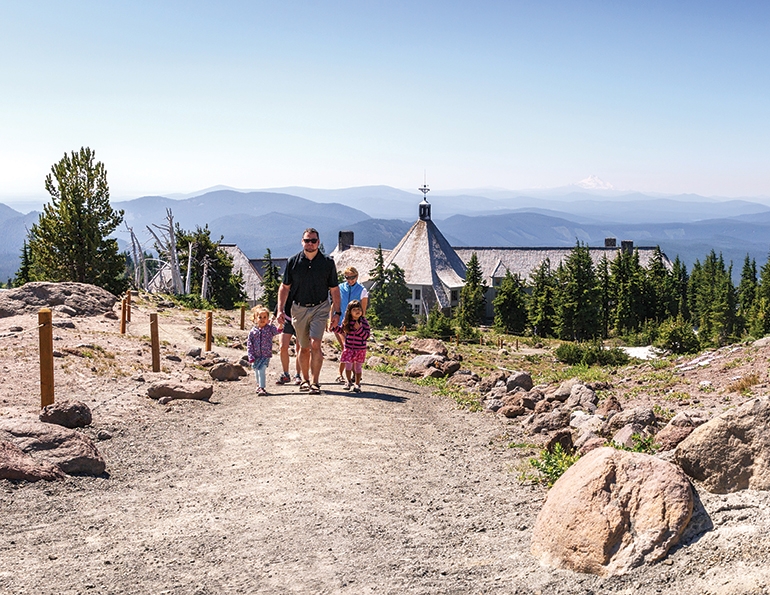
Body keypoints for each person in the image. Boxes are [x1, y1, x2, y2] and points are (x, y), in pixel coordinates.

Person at [277, 228, 341, 395]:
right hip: (298, 309)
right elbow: (284, 287)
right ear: (302, 242)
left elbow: (334, 290)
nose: (310, 244)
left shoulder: (327, 262)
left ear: (318, 242)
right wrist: (280, 310)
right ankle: (305, 380)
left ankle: (315, 382)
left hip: (320, 307)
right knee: (304, 348)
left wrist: (337, 313)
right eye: (307, 240)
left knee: (315, 344)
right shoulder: (293, 262)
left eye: (313, 240)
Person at [332, 266, 369, 383]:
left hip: (355, 324)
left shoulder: (362, 290)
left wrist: (361, 325)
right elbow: (334, 304)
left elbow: (363, 310)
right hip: (340, 323)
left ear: (357, 276)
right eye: (347, 277)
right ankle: (342, 374)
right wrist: (331, 319)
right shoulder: (340, 287)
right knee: (345, 347)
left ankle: (351, 374)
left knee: (347, 348)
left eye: (352, 277)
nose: (350, 279)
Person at [246, 305, 282, 396]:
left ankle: (262, 387)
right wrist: (250, 355)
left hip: (265, 355)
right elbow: (249, 344)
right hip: (255, 355)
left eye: (265, 317)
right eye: (260, 317)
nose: (262, 319)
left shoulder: (269, 329)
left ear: (268, 318)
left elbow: (278, 331)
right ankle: (258, 385)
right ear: (255, 318)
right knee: (256, 370)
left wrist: (281, 324)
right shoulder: (253, 332)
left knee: (262, 369)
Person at [339, 300, 370, 393]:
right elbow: (342, 330)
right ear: (350, 312)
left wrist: (359, 329)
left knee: (358, 367)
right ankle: (348, 382)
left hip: (360, 349)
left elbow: (366, 335)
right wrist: (333, 327)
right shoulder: (347, 321)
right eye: (354, 309)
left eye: (359, 309)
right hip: (349, 348)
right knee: (348, 366)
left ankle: (357, 384)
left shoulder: (364, 322)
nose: (357, 311)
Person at [276, 296, 302, 386]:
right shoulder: (287, 285)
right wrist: (276, 314)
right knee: (283, 347)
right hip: (287, 319)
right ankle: (286, 374)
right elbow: (281, 300)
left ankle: (298, 375)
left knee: (299, 348)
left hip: (300, 319)